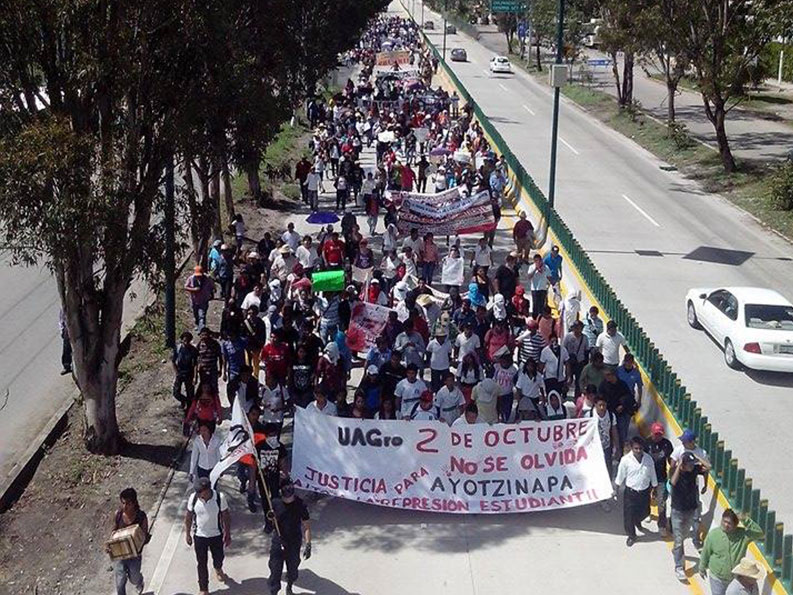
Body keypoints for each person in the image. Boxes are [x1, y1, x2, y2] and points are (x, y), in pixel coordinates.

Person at [699, 510, 766, 595]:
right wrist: (702, 567)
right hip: (717, 578)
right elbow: (706, 552)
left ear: (736, 525)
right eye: (724, 521)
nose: (726, 525)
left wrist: (745, 519)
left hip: (734, 579)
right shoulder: (713, 535)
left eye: (729, 523)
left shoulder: (743, 535)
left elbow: (759, 533)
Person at [184, 477, 231, 595]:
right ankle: (203, 588)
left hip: (216, 535)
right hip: (200, 536)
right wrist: (187, 534)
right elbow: (188, 517)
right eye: (197, 491)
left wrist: (227, 533)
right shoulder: (193, 498)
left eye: (200, 492)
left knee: (219, 557)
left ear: (208, 490)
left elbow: (225, 516)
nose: (198, 494)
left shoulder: (220, 498)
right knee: (201, 563)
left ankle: (218, 567)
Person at [268, 479, 312, 595]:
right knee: (275, 569)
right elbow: (270, 525)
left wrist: (308, 544)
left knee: (293, 569)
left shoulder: (300, 504)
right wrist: (271, 519)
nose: (288, 489)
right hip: (278, 542)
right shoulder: (275, 503)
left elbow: (306, 526)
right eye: (285, 487)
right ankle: (274, 592)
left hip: (294, 543)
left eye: (290, 486)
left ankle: (289, 587)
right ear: (281, 490)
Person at [670, 451, 710, 581]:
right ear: (683, 464)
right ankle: (679, 567)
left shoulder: (694, 469)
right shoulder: (676, 472)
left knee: (683, 536)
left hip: (690, 510)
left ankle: (676, 550)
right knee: (679, 540)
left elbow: (708, 467)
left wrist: (696, 457)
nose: (692, 467)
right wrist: (679, 464)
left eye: (693, 464)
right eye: (690, 465)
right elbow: (673, 482)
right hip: (677, 511)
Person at [614, 436, 658, 547]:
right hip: (630, 492)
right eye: (636, 448)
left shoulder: (648, 459)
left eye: (640, 448)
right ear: (632, 448)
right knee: (628, 515)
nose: (638, 451)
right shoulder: (625, 460)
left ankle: (637, 520)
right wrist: (616, 489)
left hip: (644, 492)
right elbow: (620, 476)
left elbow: (652, 474)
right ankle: (631, 535)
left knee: (645, 512)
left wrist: (655, 487)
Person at [109, 487, 149, 595]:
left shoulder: (141, 517)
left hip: (134, 555)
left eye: (128, 504)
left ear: (134, 503)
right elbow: (114, 532)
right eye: (123, 503)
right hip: (120, 554)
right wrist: (110, 546)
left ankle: (139, 582)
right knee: (120, 580)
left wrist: (135, 542)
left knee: (134, 578)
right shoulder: (118, 515)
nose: (124, 507)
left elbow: (144, 536)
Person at [645, 422, 674, 536]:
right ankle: (646, 512)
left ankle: (662, 524)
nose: (658, 436)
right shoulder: (646, 443)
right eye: (656, 434)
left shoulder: (667, 444)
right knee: (645, 496)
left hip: (661, 477)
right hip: (648, 476)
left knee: (661, 502)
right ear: (652, 433)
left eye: (660, 434)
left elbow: (670, 460)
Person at [172, 331, 199, 409]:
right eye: (184, 340)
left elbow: (195, 364)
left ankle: (189, 411)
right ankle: (184, 401)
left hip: (189, 374)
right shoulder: (178, 348)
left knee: (190, 393)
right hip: (180, 372)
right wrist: (176, 372)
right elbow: (173, 361)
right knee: (176, 392)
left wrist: (195, 377)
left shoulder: (193, 350)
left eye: (188, 341)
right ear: (181, 340)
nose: (186, 342)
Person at [185, 265, 214, 332]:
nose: (199, 277)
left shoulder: (207, 279)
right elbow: (186, 287)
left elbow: (212, 286)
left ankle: (201, 329)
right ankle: (198, 325)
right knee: (196, 314)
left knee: (202, 315)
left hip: (204, 300)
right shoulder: (191, 278)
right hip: (194, 300)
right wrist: (193, 289)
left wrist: (212, 293)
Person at [526, 253, 552, 319]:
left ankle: (540, 318)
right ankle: (535, 318)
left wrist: (550, 283)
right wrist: (535, 269)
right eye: (536, 261)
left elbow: (549, 276)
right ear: (534, 261)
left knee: (542, 304)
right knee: (535, 304)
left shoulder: (546, 267)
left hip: (543, 288)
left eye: (539, 260)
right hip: (535, 289)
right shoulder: (531, 267)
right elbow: (529, 276)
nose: (538, 262)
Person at [59, 309, 72, 375]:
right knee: (66, 348)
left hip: (76, 327)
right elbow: (61, 319)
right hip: (68, 329)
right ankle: (67, 366)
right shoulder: (63, 307)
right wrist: (62, 330)